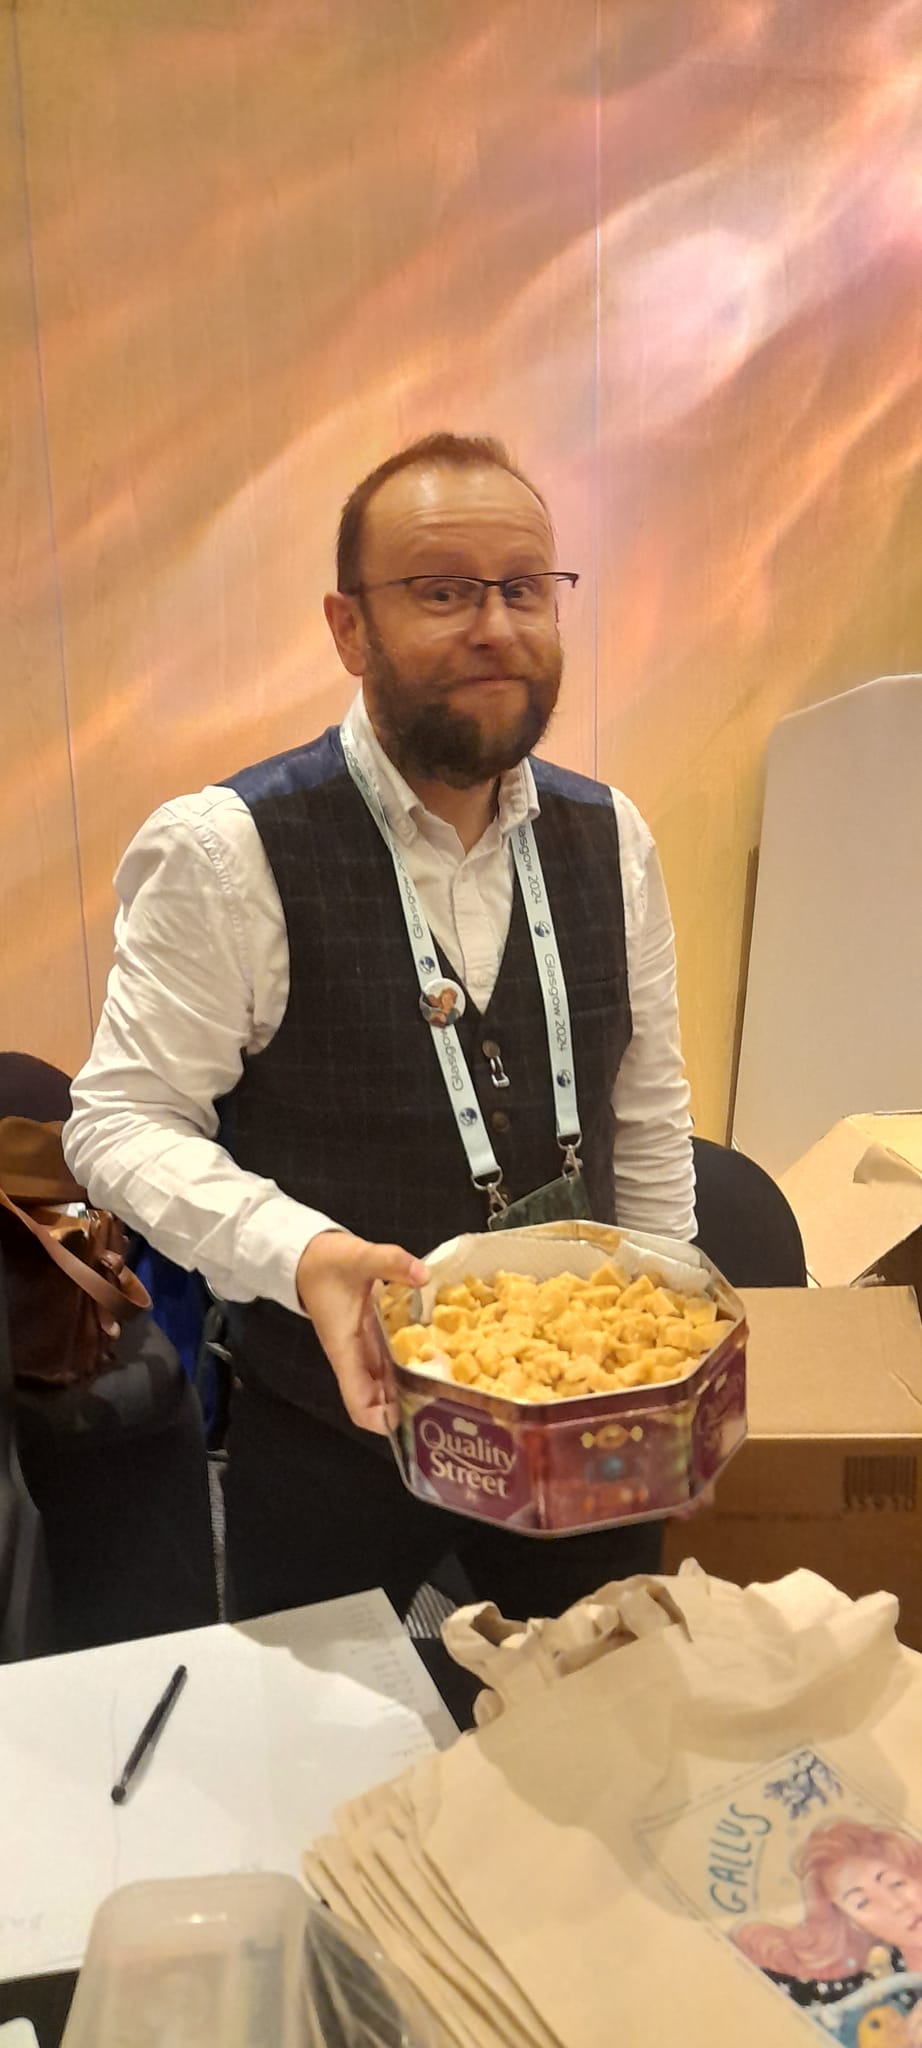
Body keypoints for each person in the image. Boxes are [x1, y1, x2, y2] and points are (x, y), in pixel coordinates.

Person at [64, 431, 695, 1624]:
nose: (494, 625)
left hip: (584, 1436)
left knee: (595, 1743)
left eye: (524, 587)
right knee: (330, 1776)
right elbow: (120, 1122)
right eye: (442, 590)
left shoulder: (612, 836)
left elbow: (645, 1117)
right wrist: (302, 1254)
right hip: (334, 1437)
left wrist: (657, 1359)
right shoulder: (227, 847)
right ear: (348, 628)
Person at [733, 1820, 922, 2018]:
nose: (897, 1905)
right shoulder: (881, 1994)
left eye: (897, 1883)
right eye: (862, 1903)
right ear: (856, 1925)